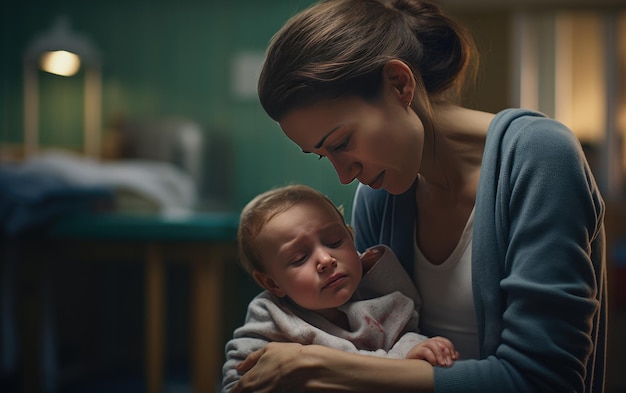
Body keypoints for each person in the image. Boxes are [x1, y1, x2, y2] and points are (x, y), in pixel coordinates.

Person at [233, 0, 607, 392]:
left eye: (342, 142)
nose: (344, 176)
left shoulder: (539, 156)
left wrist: (319, 366)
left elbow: (544, 380)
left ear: (399, 84)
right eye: (324, 155)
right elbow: (373, 339)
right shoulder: (378, 196)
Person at [223, 184, 458, 393]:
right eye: (299, 257)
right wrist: (400, 361)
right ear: (272, 283)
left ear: (351, 237)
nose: (326, 259)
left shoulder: (380, 296)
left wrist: (418, 348)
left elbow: (405, 336)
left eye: (335, 242)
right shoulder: (271, 317)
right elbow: (239, 381)